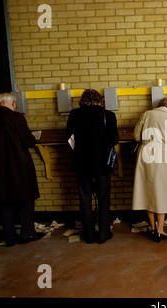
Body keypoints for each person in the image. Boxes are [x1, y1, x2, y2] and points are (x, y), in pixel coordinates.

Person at [0, 93, 44, 246]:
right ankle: (27, 233)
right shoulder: (16, 118)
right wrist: (34, 138)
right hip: (18, 165)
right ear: (12, 103)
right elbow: (28, 141)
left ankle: (9, 237)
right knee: (26, 200)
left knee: (5, 201)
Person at [66, 89, 119, 244]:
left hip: (82, 163)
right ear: (99, 100)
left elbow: (68, 138)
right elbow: (114, 139)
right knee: (103, 199)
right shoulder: (108, 115)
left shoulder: (75, 114)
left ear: (83, 100)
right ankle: (103, 235)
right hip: (103, 164)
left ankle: (88, 236)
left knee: (85, 199)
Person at [132, 98, 167, 243]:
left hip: (145, 155)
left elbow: (136, 136)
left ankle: (153, 228)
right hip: (163, 157)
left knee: (148, 191)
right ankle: (161, 230)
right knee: (162, 192)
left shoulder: (146, 114)